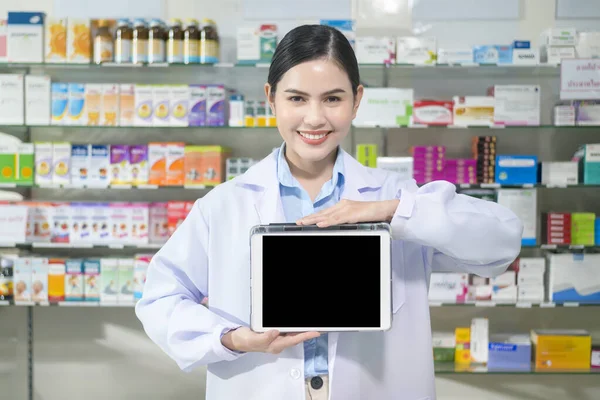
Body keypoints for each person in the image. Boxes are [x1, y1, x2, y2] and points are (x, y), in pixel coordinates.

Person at [136, 24, 523, 400]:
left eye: (333, 99)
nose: (315, 118)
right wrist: (234, 338)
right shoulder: (224, 205)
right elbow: (160, 299)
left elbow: (502, 240)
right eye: (297, 98)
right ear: (271, 98)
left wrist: (390, 211)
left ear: (357, 100)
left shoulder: (395, 196)